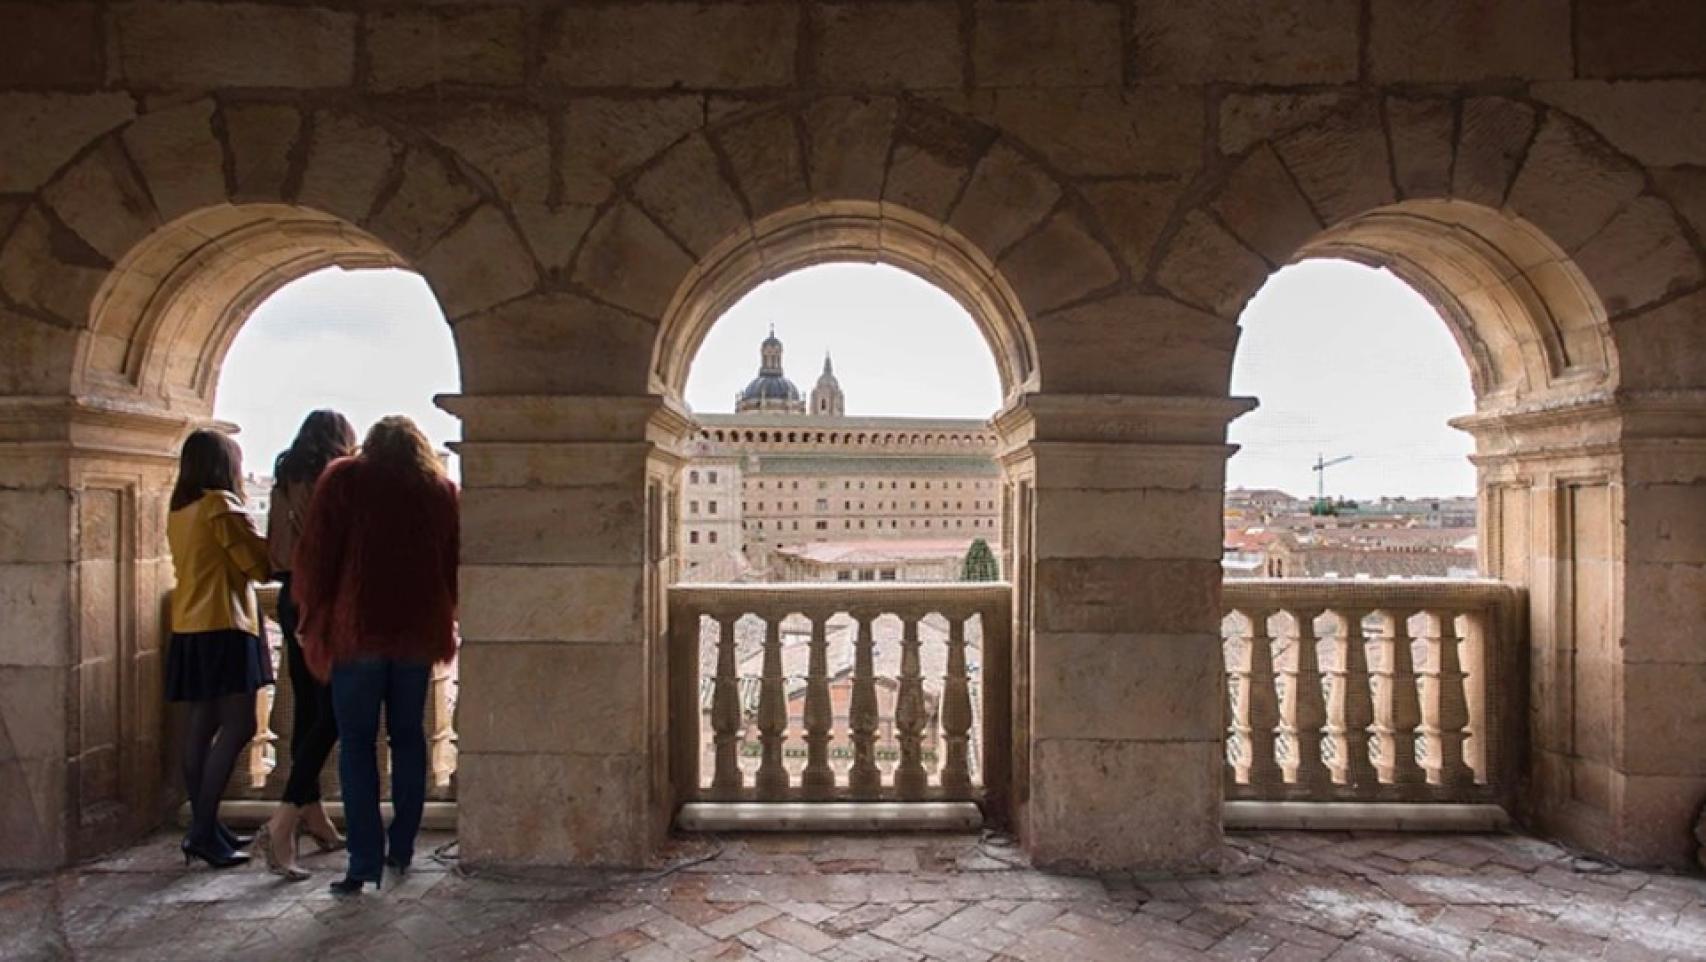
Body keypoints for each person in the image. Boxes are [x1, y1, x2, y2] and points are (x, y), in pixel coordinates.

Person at [295, 416, 459, 896]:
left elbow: (316, 559)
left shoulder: (345, 481)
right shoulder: (440, 493)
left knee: (357, 748)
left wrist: (315, 620)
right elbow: (452, 568)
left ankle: (362, 862)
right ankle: (402, 848)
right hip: (415, 634)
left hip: (358, 631)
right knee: (409, 740)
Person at [253, 411, 357, 880]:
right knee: (335, 711)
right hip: (326, 603)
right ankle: (283, 822)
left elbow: (275, 554)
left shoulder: (282, 483)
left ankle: (314, 815)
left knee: (313, 712)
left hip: (294, 599)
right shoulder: (337, 483)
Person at [164, 430, 273, 869]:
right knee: (239, 724)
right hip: (225, 624)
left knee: (200, 724)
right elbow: (258, 564)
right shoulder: (219, 507)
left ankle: (206, 825)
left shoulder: (181, 510)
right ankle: (204, 831)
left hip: (189, 625)